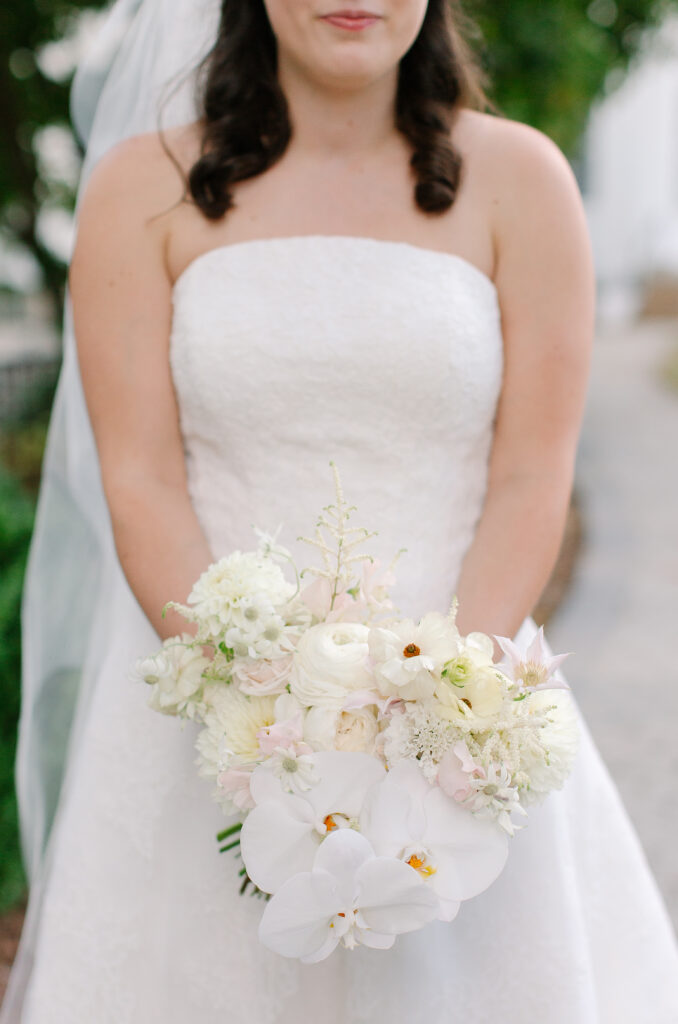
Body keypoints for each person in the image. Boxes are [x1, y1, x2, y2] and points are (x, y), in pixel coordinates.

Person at [4, 0, 678, 1020]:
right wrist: (265, 714)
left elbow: (533, 476)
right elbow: (138, 476)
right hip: (212, 726)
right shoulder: (143, 187)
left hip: (460, 698)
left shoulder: (523, 180)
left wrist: (440, 712)